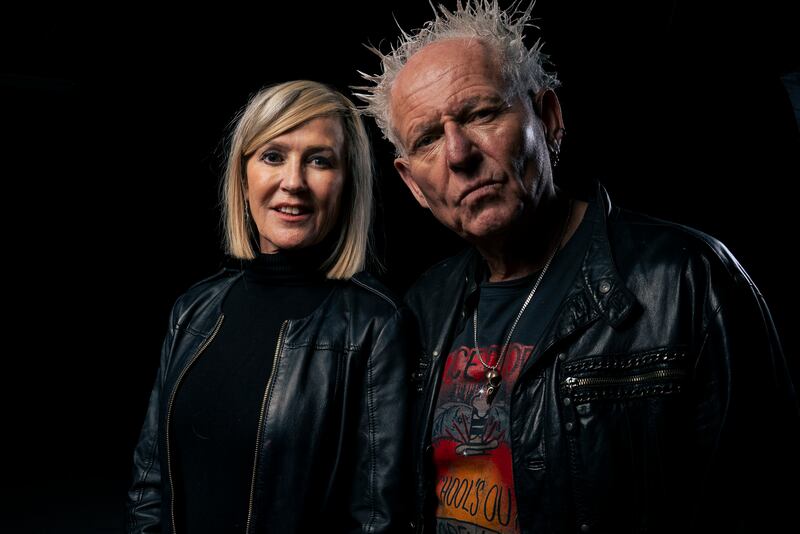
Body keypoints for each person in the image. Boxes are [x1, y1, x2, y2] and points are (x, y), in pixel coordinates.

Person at [357, 1, 798, 532]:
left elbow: (763, 498)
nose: (457, 153)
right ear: (411, 184)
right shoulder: (420, 309)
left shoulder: (686, 279)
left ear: (548, 119)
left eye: (480, 113)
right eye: (428, 138)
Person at [126, 80, 411, 533]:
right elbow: (149, 484)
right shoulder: (194, 309)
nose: (293, 182)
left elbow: (377, 517)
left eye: (319, 160)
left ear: (348, 182)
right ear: (243, 176)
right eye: (273, 156)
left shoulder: (375, 324)